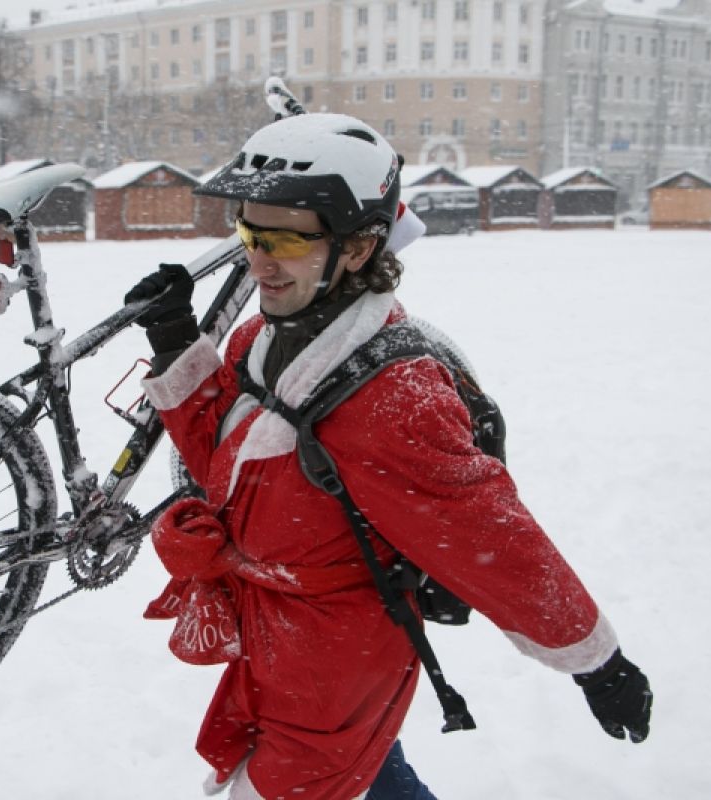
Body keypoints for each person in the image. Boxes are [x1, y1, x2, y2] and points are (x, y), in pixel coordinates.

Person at [124, 113, 652, 800]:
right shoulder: (261, 333)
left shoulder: (395, 400)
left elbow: (493, 540)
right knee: (374, 776)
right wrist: (174, 343)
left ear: (359, 246)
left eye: (284, 236)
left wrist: (596, 661)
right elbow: (230, 465)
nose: (258, 258)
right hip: (275, 629)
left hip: (334, 659)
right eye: (250, 232)